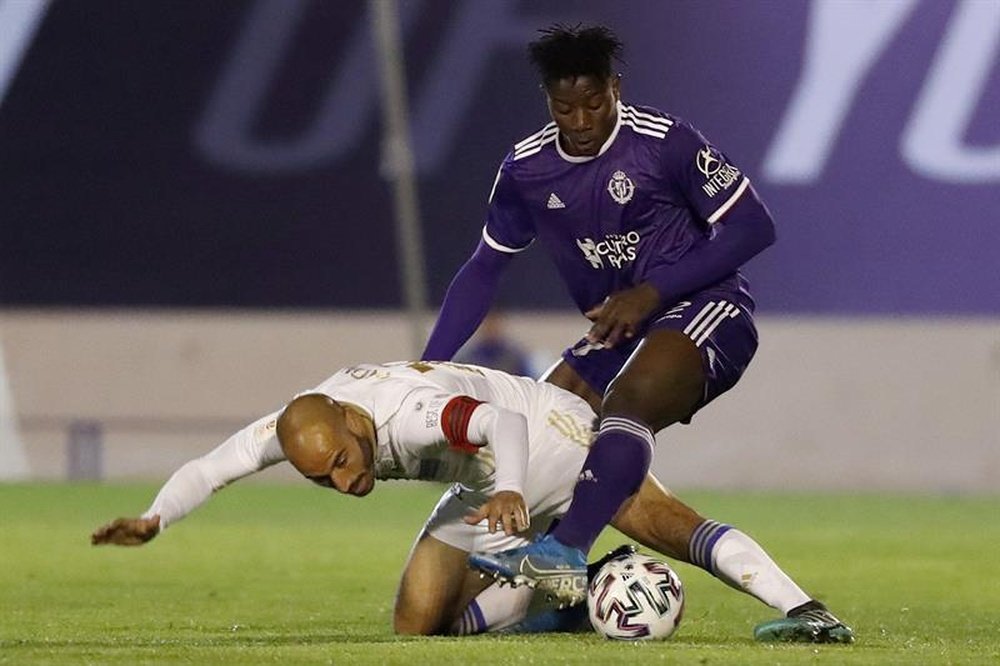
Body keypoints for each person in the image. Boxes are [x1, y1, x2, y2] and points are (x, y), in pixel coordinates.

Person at [421, 25, 853, 643]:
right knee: (545, 445)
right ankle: (526, 604)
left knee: (627, 405)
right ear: (547, 100)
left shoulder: (664, 142)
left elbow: (753, 227)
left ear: (615, 88)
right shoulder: (526, 169)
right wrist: (430, 368)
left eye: (593, 102)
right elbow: (485, 265)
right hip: (618, 334)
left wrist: (652, 291)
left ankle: (566, 553)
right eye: (564, 107)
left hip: (706, 310)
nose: (581, 120)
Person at [92, 360, 848, 641]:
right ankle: (569, 597)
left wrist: (516, 491)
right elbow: (212, 466)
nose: (342, 481)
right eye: (322, 478)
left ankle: (805, 609)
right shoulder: (305, 427)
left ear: (355, 425)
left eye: (347, 465)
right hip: (486, 477)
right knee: (418, 623)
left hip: (547, 441)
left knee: (665, 522)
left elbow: (498, 422)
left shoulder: (410, 414)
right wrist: (158, 516)